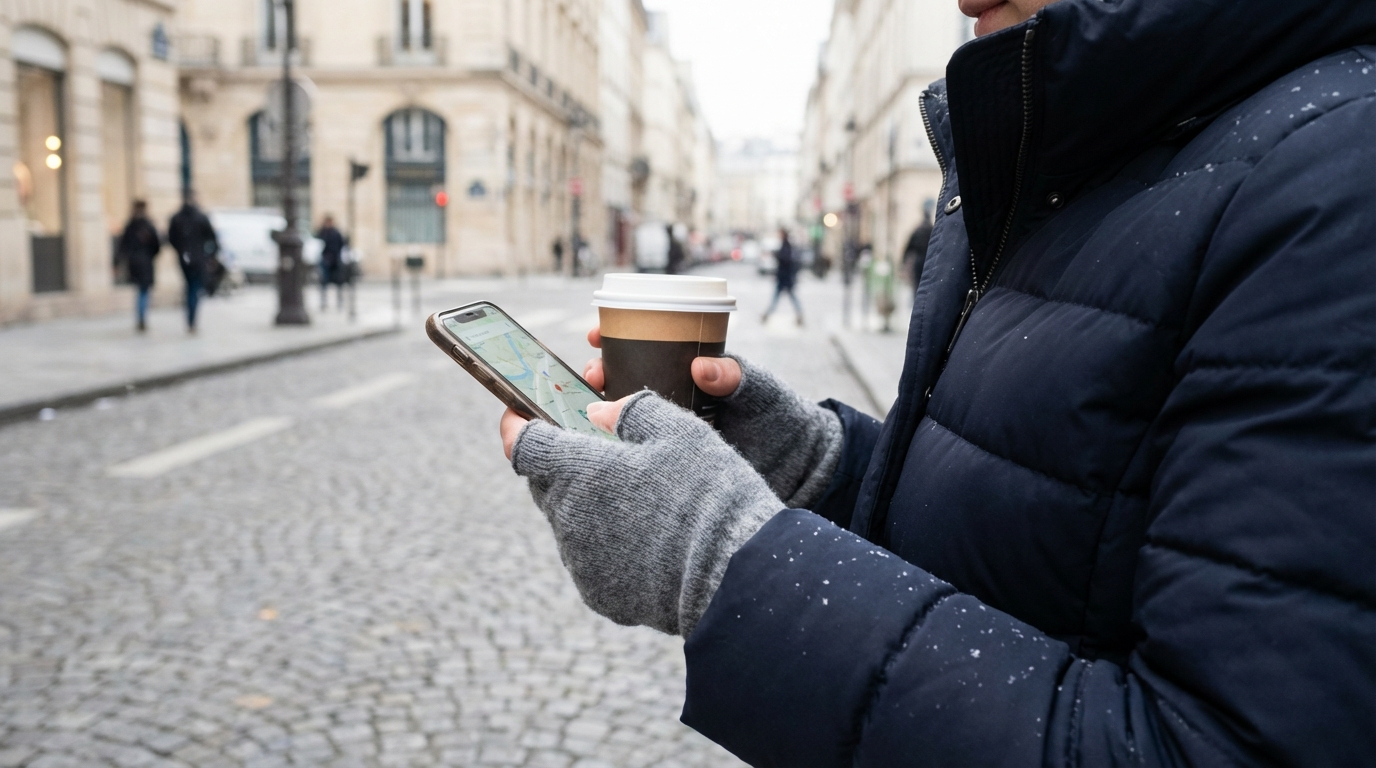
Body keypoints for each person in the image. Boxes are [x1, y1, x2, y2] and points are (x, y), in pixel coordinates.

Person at [499, 0, 1375, 764]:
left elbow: (1216, 744)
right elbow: (1042, 536)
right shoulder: (1056, 150)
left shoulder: (1338, 178)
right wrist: (818, 469)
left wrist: (728, 563)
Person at [167, 193, 219, 333]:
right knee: (194, 288)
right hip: (198, 259)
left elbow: (171, 238)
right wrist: (210, 255)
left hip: (184, 259)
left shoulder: (177, 218)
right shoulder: (200, 217)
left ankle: (190, 320)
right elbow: (213, 238)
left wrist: (180, 250)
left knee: (189, 287)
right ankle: (192, 321)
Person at [114, 201, 161, 333]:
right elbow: (156, 246)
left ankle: (140, 317)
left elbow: (122, 246)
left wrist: (117, 262)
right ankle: (141, 317)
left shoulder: (131, 226)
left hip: (134, 263)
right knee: (143, 291)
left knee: (140, 291)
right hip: (145, 262)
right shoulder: (148, 225)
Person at [761, 229, 803, 326]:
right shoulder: (786, 245)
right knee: (784, 298)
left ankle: (767, 315)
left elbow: (785, 260)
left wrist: (776, 255)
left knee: (779, 298)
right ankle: (799, 315)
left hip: (785, 278)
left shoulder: (786, 245)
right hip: (784, 278)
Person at [315, 215, 346, 310]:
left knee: (338, 282)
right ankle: (324, 302)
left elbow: (341, 244)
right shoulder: (322, 232)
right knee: (323, 281)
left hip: (335, 260)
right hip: (325, 259)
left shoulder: (336, 233)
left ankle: (339, 302)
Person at [901, 202, 934, 288]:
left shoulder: (918, 230)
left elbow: (909, 247)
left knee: (917, 284)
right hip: (927, 260)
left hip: (918, 260)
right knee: (925, 283)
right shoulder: (931, 230)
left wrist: (903, 262)